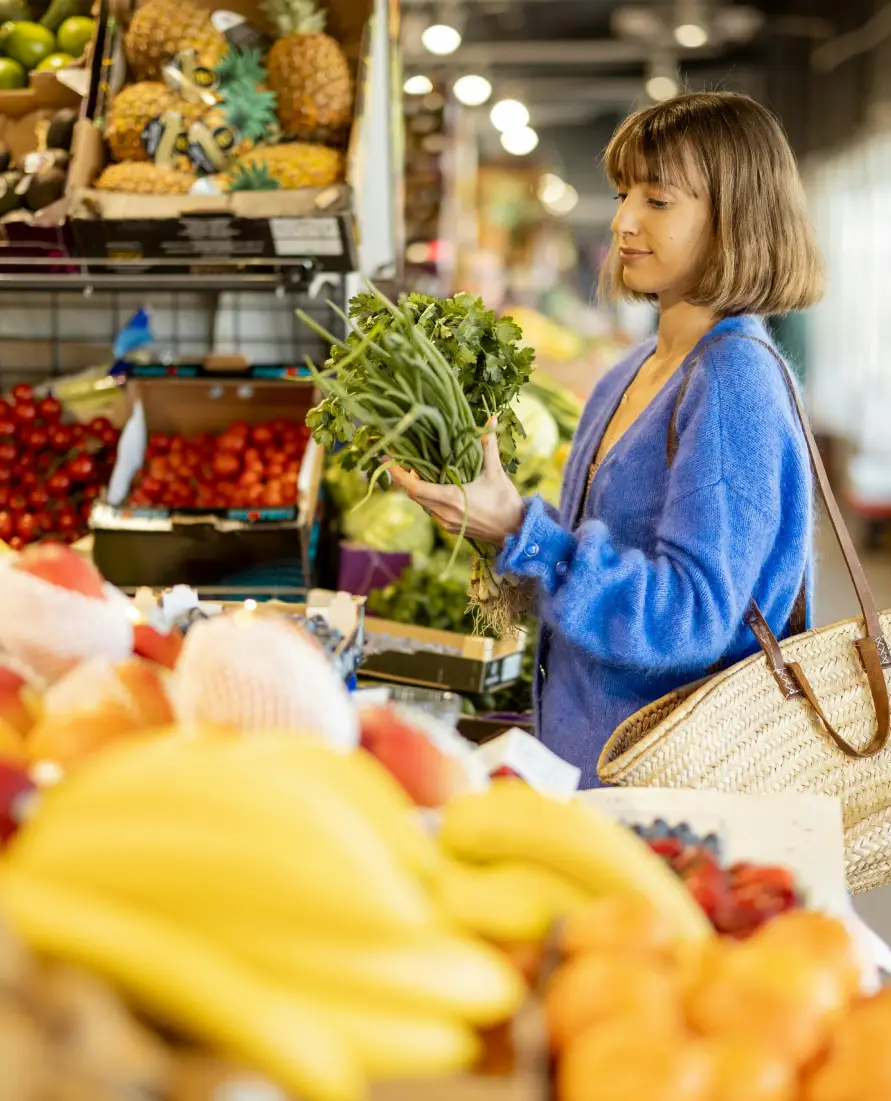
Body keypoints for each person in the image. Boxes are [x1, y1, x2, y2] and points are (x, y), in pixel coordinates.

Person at [391, 91, 824, 787]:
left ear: (735, 216)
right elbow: (600, 565)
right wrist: (497, 528)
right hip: (591, 765)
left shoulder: (732, 378)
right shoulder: (632, 371)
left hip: (670, 790)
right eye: (624, 193)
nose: (622, 221)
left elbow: (689, 617)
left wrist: (525, 532)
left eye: (658, 200)